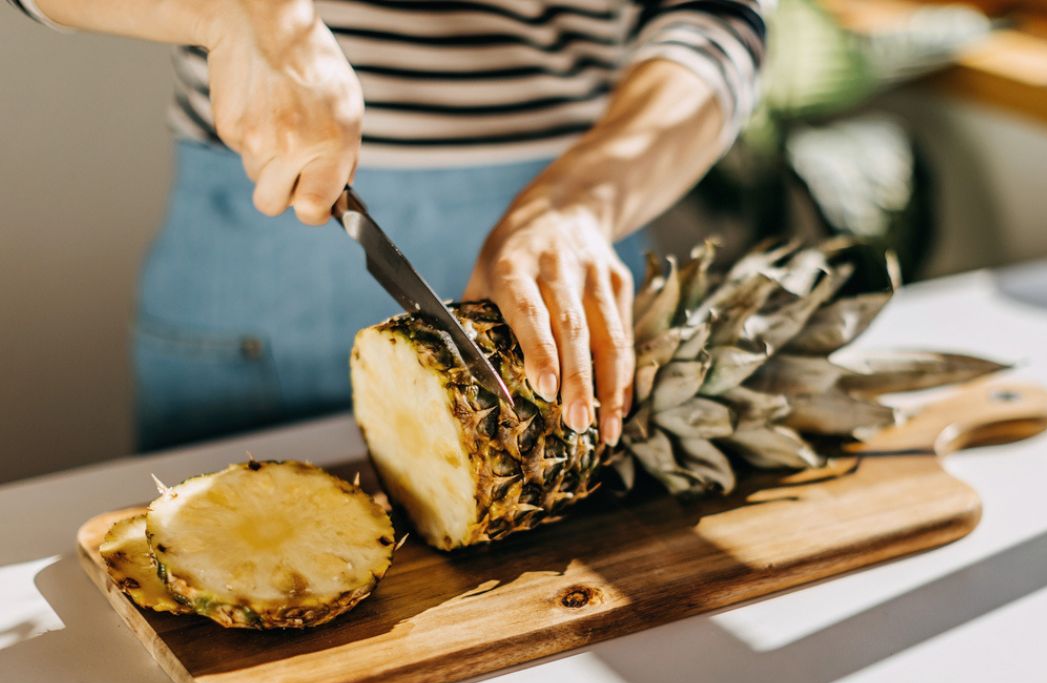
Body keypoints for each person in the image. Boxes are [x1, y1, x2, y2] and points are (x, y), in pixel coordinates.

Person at [7, 0, 768, 451]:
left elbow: (714, 19)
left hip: (570, 240)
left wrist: (581, 200)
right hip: (262, 273)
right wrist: (238, 13)